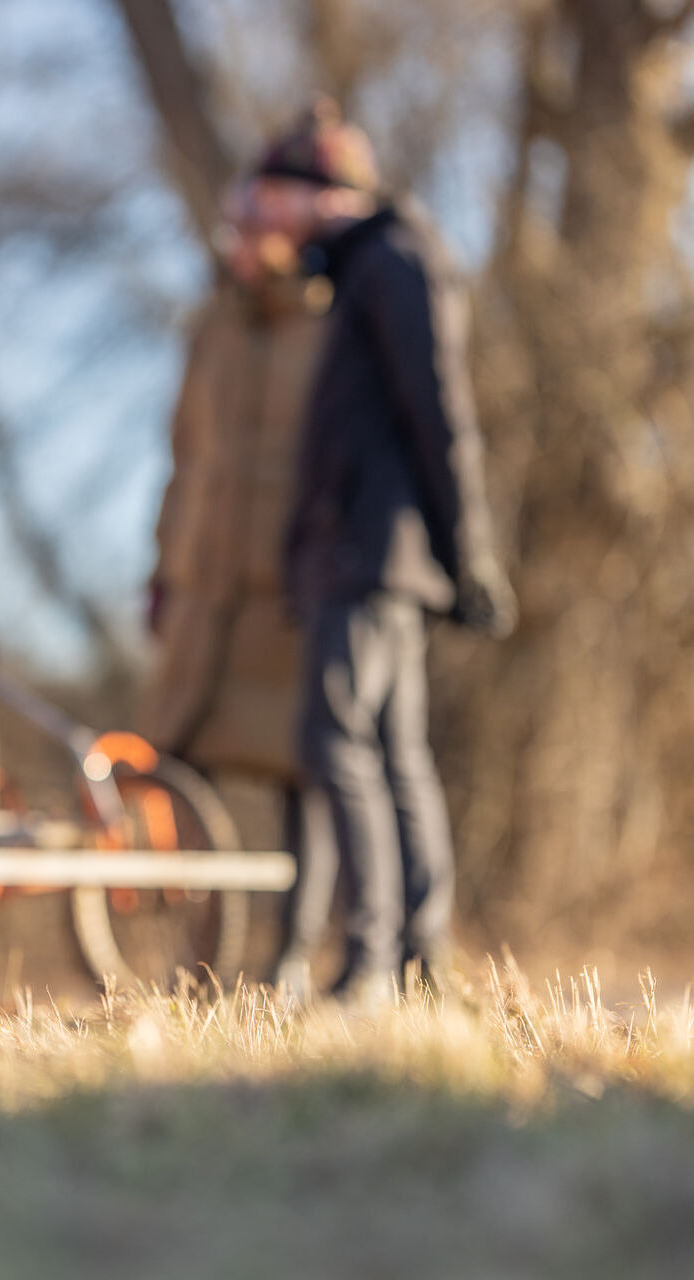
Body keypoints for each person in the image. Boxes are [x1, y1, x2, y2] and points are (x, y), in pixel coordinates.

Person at [255, 100, 517, 1006]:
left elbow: (441, 414)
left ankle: (373, 961)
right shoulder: (362, 269)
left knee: (339, 742)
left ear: (326, 195)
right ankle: (415, 962)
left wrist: (469, 553)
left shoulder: (393, 264)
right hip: (360, 548)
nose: (267, 219)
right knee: (391, 750)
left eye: (278, 196)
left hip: (375, 552)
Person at [134, 180, 337, 1001]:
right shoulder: (213, 327)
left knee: (300, 772)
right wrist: (161, 566)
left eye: (256, 231)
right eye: (233, 231)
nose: (239, 247)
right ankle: (199, 959)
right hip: (202, 587)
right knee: (179, 768)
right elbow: (184, 458)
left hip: (285, 590)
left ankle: (292, 954)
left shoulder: (332, 325)